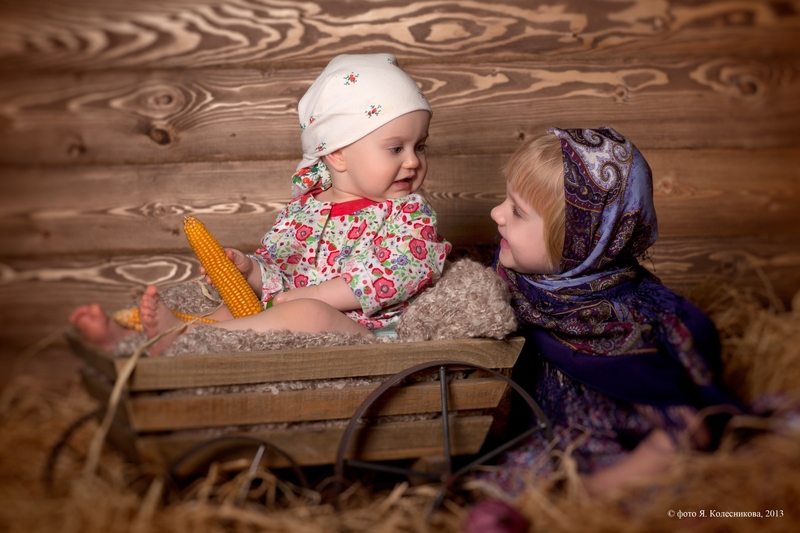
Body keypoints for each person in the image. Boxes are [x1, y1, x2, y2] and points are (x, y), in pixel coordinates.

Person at [70, 54, 451, 355]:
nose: (413, 161)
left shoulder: (408, 213)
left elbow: (401, 271)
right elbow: (280, 275)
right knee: (236, 307)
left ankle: (187, 340)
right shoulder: (302, 212)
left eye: (420, 146)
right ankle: (142, 342)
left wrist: (313, 295)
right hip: (289, 318)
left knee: (308, 312)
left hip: (364, 336)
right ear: (337, 153)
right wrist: (250, 270)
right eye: (396, 148)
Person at [486, 127, 738, 496]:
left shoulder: (623, 324)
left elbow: (688, 430)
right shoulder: (515, 279)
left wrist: (596, 489)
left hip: (603, 456)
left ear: (579, 242)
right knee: (489, 495)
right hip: (536, 440)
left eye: (517, 211)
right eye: (506, 199)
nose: (496, 213)